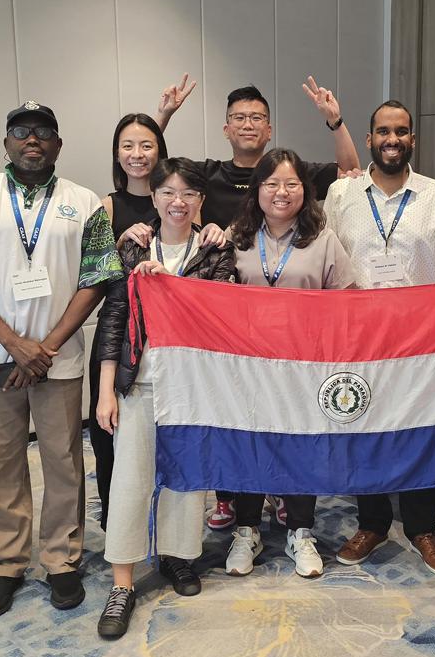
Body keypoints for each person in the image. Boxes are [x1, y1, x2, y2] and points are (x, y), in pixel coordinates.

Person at [0, 100, 125, 619]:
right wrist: (14, 343)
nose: (32, 139)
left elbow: (97, 278)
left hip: (59, 358)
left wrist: (44, 347)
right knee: (0, 462)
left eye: (43, 132)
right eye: (21, 131)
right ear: (6, 142)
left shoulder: (84, 202)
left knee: (63, 461)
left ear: (58, 143)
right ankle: (7, 562)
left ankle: (61, 559)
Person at [153, 76, 361, 531]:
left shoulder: (319, 233)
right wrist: (163, 116)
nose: (280, 192)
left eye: (257, 118)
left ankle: (293, 511)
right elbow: (160, 173)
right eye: (239, 118)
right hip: (242, 351)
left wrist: (335, 121)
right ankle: (238, 510)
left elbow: (350, 173)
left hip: (301, 355)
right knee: (241, 430)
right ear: (227, 128)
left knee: (296, 433)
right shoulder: (224, 209)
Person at [322, 100, 435, 577]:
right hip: (358, 337)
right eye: (383, 132)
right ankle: (372, 523)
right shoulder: (341, 195)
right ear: (369, 140)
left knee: (419, 431)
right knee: (363, 429)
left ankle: (422, 528)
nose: (392, 140)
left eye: (401, 132)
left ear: (412, 140)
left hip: (420, 338)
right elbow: (325, 256)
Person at [94, 158, 238, 639]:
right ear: (153, 198)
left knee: (185, 479)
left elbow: (219, 315)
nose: (179, 202)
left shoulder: (215, 250)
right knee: (129, 480)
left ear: (201, 200)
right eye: (169, 193)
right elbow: (113, 320)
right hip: (139, 382)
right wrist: (106, 391)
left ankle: (177, 557)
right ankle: (122, 581)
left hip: (191, 386)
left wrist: (171, 287)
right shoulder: (132, 246)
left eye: (189, 194)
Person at [224, 148, 356, 579]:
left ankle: (301, 531)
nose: (281, 192)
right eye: (272, 184)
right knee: (248, 444)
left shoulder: (323, 239)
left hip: (305, 366)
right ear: (257, 190)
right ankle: (247, 530)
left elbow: (347, 300)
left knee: (303, 447)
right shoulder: (236, 237)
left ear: (305, 189)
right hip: (248, 366)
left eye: (291, 184)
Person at [86, 113, 168, 535]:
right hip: (118, 334)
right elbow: (95, 276)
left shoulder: (174, 198)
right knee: (108, 434)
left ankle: (164, 528)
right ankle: (115, 524)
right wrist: (120, 246)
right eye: (128, 146)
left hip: (168, 338)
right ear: (117, 154)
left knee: (163, 438)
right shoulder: (108, 206)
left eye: (147, 145)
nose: (137, 154)